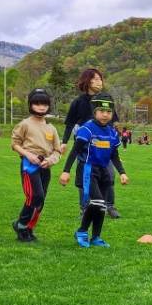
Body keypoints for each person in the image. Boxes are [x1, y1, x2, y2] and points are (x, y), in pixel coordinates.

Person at [60, 96, 128, 247]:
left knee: (102, 206)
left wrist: (122, 172)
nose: (105, 114)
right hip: (88, 169)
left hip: (104, 171)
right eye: (101, 111)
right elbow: (75, 151)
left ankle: (96, 237)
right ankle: (82, 231)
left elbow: (114, 155)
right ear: (95, 112)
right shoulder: (87, 129)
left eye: (108, 112)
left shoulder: (112, 132)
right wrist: (66, 171)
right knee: (97, 202)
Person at [63, 68, 121, 218]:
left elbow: (114, 122)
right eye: (95, 79)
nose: (99, 82)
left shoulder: (106, 100)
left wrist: (115, 137)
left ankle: (110, 206)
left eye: (100, 79)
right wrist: (64, 142)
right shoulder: (78, 102)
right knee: (85, 177)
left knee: (109, 175)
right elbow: (69, 124)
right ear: (86, 81)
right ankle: (84, 208)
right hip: (85, 145)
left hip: (104, 146)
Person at [11, 88, 62, 242]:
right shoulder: (25, 124)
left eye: (44, 104)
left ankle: (29, 228)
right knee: (35, 196)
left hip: (45, 167)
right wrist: (28, 155)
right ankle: (21, 225)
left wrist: (50, 160)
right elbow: (15, 144)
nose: (41, 107)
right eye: (37, 103)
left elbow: (57, 151)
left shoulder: (51, 128)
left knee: (41, 200)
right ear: (31, 105)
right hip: (29, 166)